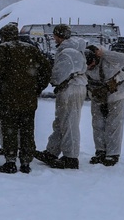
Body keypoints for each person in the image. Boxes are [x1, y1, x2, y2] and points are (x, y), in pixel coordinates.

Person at [0, 23, 52, 174]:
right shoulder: (31, 49)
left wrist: (1, 90)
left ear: (2, 36)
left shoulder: (2, 49)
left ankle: (10, 161)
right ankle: (25, 162)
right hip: (28, 97)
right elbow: (46, 68)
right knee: (27, 129)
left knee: (9, 129)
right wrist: (38, 87)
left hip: (9, 97)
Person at [36, 24, 88, 170]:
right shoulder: (75, 48)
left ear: (58, 36)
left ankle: (71, 158)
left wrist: (51, 79)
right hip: (75, 85)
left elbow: (58, 75)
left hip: (70, 87)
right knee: (62, 121)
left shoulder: (67, 52)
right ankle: (51, 152)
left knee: (69, 122)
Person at [84, 45, 124, 167]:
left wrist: (103, 53)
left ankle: (113, 154)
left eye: (91, 63)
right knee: (97, 124)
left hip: (117, 95)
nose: (90, 67)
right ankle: (100, 151)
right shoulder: (84, 64)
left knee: (114, 124)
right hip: (97, 96)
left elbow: (123, 59)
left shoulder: (109, 59)